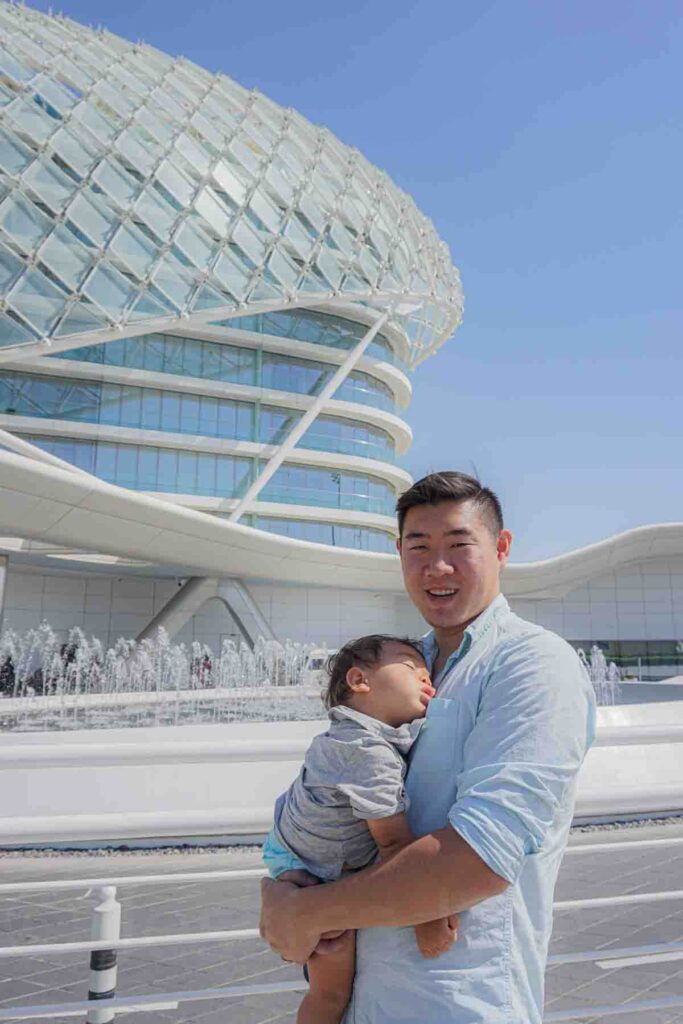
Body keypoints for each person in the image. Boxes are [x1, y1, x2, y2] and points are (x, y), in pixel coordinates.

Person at [260, 471, 596, 1024]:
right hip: (364, 1003)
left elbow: (481, 859)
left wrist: (305, 911)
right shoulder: (394, 667)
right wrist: (284, 884)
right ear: (399, 554)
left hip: (456, 1003)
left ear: (501, 548)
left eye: (459, 546)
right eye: (419, 547)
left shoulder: (533, 665)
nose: (437, 568)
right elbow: (328, 789)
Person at [262, 634, 458, 1024]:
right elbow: (392, 839)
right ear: (359, 680)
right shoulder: (367, 752)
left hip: (296, 853)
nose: (426, 679)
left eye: (427, 672)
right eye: (409, 666)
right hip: (311, 874)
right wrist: (428, 916)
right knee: (331, 994)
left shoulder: (352, 736)